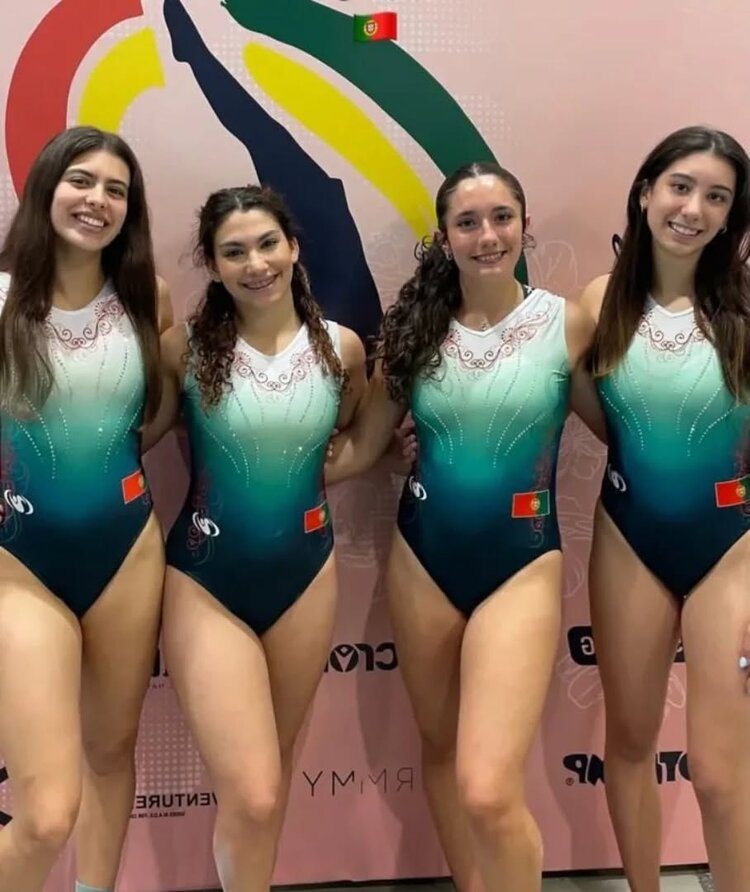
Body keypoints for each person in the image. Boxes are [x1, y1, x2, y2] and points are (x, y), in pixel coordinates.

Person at [325, 160, 596, 892]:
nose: (487, 235)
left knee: (488, 788)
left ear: (525, 226)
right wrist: (271, 466)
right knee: (441, 754)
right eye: (468, 223)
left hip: (523, 563)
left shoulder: (566, 324)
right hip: (424, 559)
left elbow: (624, 428)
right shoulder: (415, 333)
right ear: (444, 238)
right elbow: (365, 445)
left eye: (501, 217)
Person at [143, 184, 367, 891]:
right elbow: (135, 436)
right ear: (213, 265)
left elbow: (354, 438)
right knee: (256, 791)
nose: (256, 263)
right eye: (234, 252)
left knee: (274, 774)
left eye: (268, 243)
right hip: (206, 579)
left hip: (306, 576)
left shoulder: (342, 349)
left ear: (293, 247)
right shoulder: (182, 350)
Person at [581, 125, 750, 892]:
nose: (693, 209)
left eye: (716, 196)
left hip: (730, 549)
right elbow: (595, 418)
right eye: (681, 187)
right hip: (629, 539)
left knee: (718, 771)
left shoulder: (744, 309)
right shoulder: (596, 305)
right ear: (647, 191)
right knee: (629, 743)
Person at [0, 125, 166, 892]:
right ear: (46, 187)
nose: (97, 199)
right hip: (21, 563)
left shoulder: (147, 298)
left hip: (127, 552)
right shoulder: (3, 298)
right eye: (81, 181)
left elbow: (155, 414)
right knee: (43, 815)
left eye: (115, 190)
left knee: (110, 753)